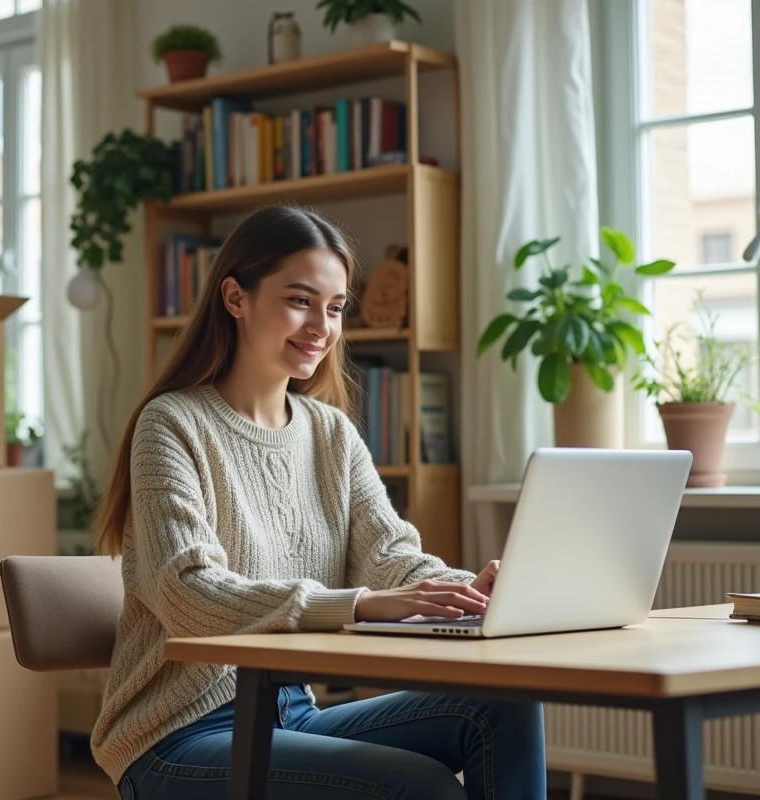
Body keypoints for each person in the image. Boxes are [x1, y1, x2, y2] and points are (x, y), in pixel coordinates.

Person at [88, 205, 546, 800]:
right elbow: (186, 590)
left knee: (502, 708)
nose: (321, 327)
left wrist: (473, 593)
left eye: (334, 308)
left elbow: (392, 559)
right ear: (235, 298)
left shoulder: (331, 433)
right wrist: (359, 604)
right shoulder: (172, 424)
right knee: (421, 785)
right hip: (174, 738)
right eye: (300, 300)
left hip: (289, 712)